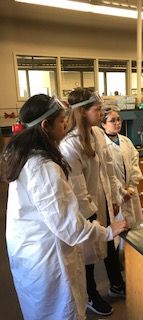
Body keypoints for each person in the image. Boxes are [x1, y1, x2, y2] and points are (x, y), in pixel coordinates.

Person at [0, 94, 127, 320]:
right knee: (61, 310)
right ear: (45, 126)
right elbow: (69, 226)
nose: (65, 125)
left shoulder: (25, 154)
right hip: (48, 255)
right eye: (60, 122)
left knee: (42, 309)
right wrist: (107, 232)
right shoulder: (44, 167)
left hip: (30, 249)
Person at [59, 88, 125, 316]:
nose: (101, 113)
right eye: (97, 109)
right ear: (82, 111)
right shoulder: (69, 144)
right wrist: (91, 214)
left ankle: (117, 284)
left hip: (104, 199)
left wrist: (114, 197)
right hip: (85, 207)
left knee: (109, 245)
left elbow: (108, 168)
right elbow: (78, 189)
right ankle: (91, 295)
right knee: (87, 254)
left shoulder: (97, 133)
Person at [101, 106, 143, 229]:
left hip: (131, 192)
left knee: (135, 227)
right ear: (103, 124)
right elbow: (108, 174)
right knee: (119, 231)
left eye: (118, 120)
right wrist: (121, 193)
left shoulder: (126, 141)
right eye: (112, 120)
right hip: (115, 195)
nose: (117, 123)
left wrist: (131, 187)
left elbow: (135, 164)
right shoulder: (101, 145)